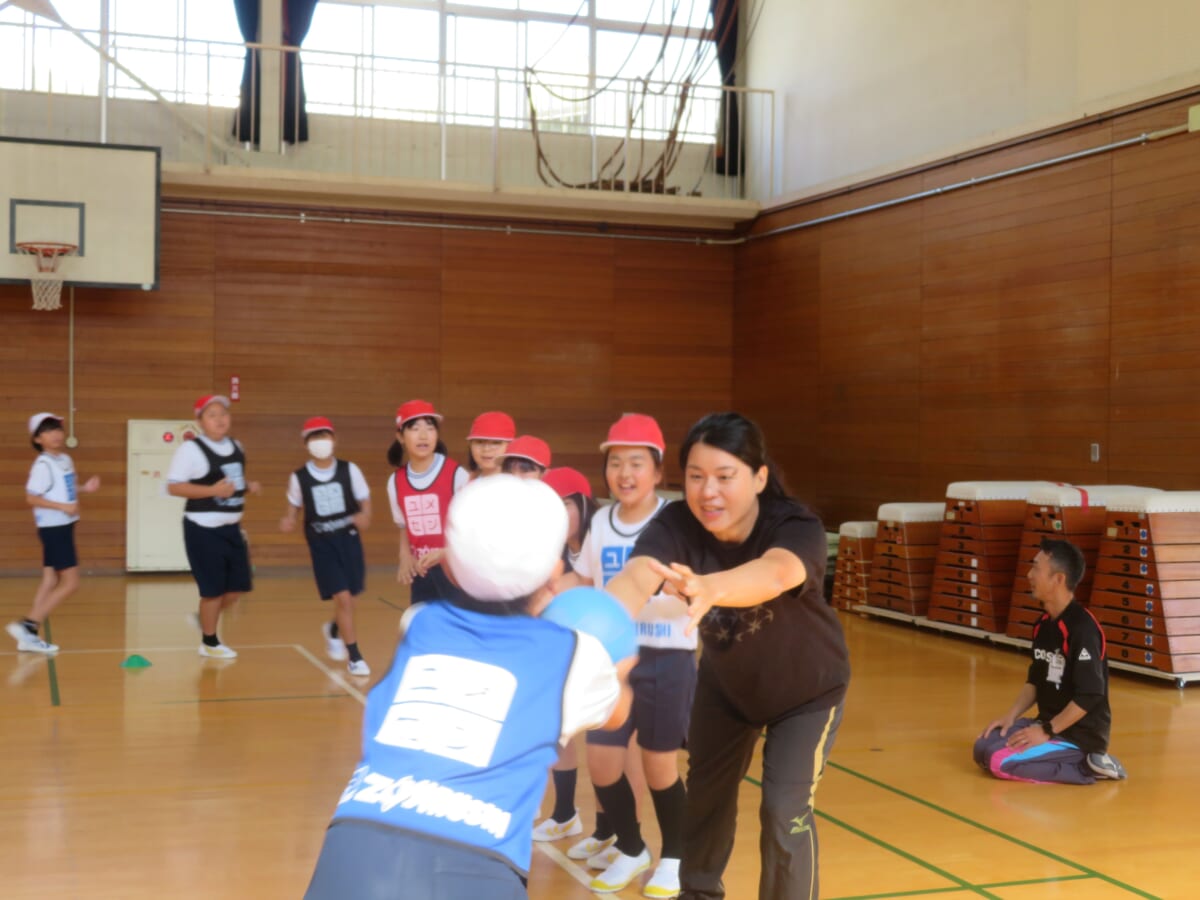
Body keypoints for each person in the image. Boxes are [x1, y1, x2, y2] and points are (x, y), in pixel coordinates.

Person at [304, 475, 635, 900]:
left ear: (455, 570)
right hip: (473, 865)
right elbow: (617, 713)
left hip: (350, 848)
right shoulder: (571, 656)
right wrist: (621, 666)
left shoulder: (418, 623)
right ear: (554, 573)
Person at [606, 412, 849, 900]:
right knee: (707, 803)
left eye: (724, 476)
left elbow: (777, 573)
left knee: (784, 809)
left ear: (759, 477)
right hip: (728, 687)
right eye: (695, 477)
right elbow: (636, 578)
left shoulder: (795, 523)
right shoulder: (676, 523)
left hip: (807, 691)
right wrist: (596, 627)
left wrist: (708, 587)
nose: (707, 491)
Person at [557, 414, 694, 897]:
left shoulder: (677, 522)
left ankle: (676, 856)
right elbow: (590, 585)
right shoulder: (599, 522)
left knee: (659, 764)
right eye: (615, 463)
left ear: (658, 471)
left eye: (637, 462)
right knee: (602, 763)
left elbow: (693, 590)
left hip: (667, 658)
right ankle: (632, 848)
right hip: (614, 661)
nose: (625, 473)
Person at [974, 537, 1127, 784]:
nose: (1029, 574)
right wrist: (1010, 716)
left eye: (1036, 568)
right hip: (1047, 724)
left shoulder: (1083, 629)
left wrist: (1046, 731)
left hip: (1077, 736)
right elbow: (1035, 678)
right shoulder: (1043, 625)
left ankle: (1089, 766)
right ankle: (1048, 749)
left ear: (1058, 579)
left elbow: (1090, 695)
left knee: (998, 761)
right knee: (982, 747)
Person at [531, 467, 601, 849]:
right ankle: (565, 815)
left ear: (583, 504)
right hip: (563, 646)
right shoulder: (551, 549)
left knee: (608, 744)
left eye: (565, 505)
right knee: (559, 730)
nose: (557, 515)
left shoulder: (599, 539)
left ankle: (611, 831)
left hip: (601, 649)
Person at [166, 395, 261, 659]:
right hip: (203, 529)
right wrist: (210, 490)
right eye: (212, 415)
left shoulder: (237, 446)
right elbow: (173, 486)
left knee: (238, 587)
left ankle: (204, 619)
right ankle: (209, 641)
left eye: (223, 413)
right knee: (213, 590)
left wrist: (248, 486)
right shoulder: (190, 450)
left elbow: (232, 485)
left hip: (233, 528)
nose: (220, 419)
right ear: (199, 422)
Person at [281, 416, 373, 676]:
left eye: (324, 436)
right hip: (322, 545)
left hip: (350, 540)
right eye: (314, 437)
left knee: (351, 598)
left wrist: (365, 515)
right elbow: (294, 506)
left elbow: (364, 499)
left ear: (334, 440)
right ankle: (355, 656)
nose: (320, 442)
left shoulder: (349, 470)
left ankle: (333, 629)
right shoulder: (299, 477)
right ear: (306, 444)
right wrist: (288, 519)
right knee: (342, 598)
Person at [5, 412, 100, 654]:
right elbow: (31, 497)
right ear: (37, 439)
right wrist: (63, 507)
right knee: (71, 583)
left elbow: (61, 488)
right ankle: (28, 626)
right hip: (53, 528)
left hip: (64, 526)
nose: (56, 434)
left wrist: (84, 489)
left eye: (57, 428)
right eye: (47, 431)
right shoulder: (43, 465)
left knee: (50, 580)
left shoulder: (64, 459)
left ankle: (29, 637)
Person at [386, 399, 469, 604]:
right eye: (414, 428)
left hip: (457, 572)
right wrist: (404, 556)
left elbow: (472, 529)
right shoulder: (395, 482)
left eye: (430, 428)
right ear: (400, 436)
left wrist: (447, 553)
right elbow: (404, 525)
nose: (423, 435)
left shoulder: (457, 475)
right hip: (422, 573)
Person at [466, 410, 516, 478]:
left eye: (496, 443)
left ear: (512, 445)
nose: (486, 449)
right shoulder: (467, 481)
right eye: (480, 442)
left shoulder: (517, 485)